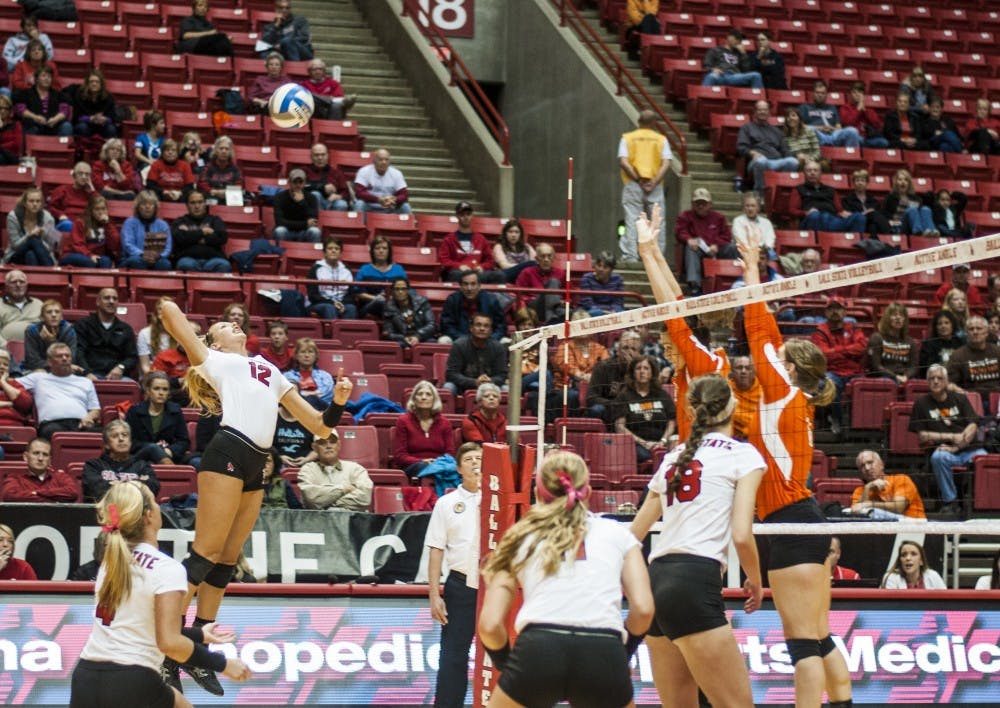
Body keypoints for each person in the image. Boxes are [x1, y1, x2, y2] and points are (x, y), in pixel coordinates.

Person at [157, 299, 350, 694]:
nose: (233, 324)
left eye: (235, 323)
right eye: (224, 326)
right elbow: (170, 317)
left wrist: (339, 402)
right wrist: (169, 304)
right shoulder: (213, 360)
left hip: (257, 462)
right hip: (227, 450)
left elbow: (318, 426)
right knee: (205, 553)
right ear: (215, 342)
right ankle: (166, 644)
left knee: (227, 559)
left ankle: (197, 645)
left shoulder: (271, 369)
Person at [736, 229, 853, 708]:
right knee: (819, 634)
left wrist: (750, 265)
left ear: (788, 367)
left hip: (790, 522)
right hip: (800, 519)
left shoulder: (782, 390)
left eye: (780, 357)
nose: (773, 356)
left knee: (802, 640)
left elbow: (757, 323)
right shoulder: (796, 400)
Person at [479, 450, 654, 708]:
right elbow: (644, 609)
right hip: (603, 650)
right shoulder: (618, 534)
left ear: (537, 493)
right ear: (589, 492)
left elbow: (490, 625)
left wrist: (508, 665)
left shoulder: (520, 537)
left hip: (539, 649)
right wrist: (621, 653)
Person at [629, 372, 764, 708]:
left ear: (690, 412)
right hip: (693, 581)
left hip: (654, 580)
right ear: (733, 404)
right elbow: (741, 535)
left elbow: (633, 535)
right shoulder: (743, 455)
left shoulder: (674, 457)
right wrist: (756, 581)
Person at [69, 481, 251, 708]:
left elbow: (140, 626)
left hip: (86, 676)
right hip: (131, 678)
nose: (158, 506)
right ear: (148, 516)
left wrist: (198, 635)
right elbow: (170, 643)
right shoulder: (166, 568)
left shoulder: (111, 563)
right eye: (155, 502)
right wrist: (224, 664)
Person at [426, 442, 485, 708]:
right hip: (460, 587)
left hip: (495, 588)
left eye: (480, 458)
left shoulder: (502, 500)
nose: (476, 463)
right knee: (452, 656)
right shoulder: (447, 503)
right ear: (460, 468)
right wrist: (434, 595)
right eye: (470, 459)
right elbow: (436, 549)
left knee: (501, 655)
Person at [909, 365, 986, 515]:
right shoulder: (921, 403)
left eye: (940, 378)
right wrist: (950, 437)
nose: (936, 381)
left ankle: (980, 503)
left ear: (946, 382)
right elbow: (923, 435)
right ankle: (950, 501)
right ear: (927, 382)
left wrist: (956, 447)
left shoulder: (960, 399)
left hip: (968, 450)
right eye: (932, 379)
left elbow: (973, 425)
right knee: (938, 457)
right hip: (943, 451)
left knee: (984, 457)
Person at [617, 109, 671, 261]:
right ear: (654, 123)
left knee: (633, 219)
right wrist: (653, 181)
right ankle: (656, 256)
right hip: (655, 185)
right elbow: (666, 162)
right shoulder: (661, 139)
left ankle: (631, 255)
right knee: (657, 221)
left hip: (633, 184)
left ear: (639, 122)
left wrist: (638, 179)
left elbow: (623, 161)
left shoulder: (628, 138)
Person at [19, 342, 101, 438]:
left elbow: (95, 409)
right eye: (59, 356)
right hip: (52, 424)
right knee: (52, 432)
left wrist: (89, 417)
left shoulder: (85, 382)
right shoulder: (38, 378)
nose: (64, 358)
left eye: (67, 356)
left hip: (81, 424)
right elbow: (10, 383)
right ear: (49, 362)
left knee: (105, 435)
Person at [811, 297, 867, 434]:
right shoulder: (820, 332)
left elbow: (861, 347)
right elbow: (823, 355)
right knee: (829, 383)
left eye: (838, 308)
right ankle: (836, 420)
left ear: (844, 312)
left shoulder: (853, 328)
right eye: (831, 309)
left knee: (868, 386)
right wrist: (848, 350)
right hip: (832, 372)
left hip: (855, 372)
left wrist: (836, 351)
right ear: (826, 312)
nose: (835, 312)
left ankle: (861, 429)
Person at [613, 355, 675, 464]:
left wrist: (663, 441)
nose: (642, 372)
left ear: (652, 373)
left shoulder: (662, 395)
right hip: (636, 445)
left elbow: (672, 421)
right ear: (633, 373)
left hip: (662, 443)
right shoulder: (624, 396)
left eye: (646, 368)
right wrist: (644, 443)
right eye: (638, 368)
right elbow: (619, 427)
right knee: (644, 455)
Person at [675, 187, 735, 297]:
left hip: (716, 248)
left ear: (710, 204)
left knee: (731, 248)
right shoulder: (686, 216)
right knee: (690, 248)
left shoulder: (718, 217)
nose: (700, 206)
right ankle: (695, 285)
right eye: (697, 203)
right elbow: (680, 231)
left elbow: (727, 236)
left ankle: (733, 279)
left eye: (703, 203)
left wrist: (716, 245)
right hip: (698, 248)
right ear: (693, 204)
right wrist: (689, 239)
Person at [81, 420, 161, 502]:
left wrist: (113, 484)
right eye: (115, 436)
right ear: (106, 445)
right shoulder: (93, 465)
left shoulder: (142, 465)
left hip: (135, 510)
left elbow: (153, 487)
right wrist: (136, 483)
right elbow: (95, 490)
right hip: (105, 510)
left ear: (130, 441)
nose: (121, 439)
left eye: (125, 435)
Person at [124, 371, 190, 465]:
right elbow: (130, 440)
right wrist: (153, 448)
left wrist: (170, 450)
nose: (161, 393)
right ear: (148, 391)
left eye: (165, 389)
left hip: (168, 454)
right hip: (141, 457)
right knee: (152, 448)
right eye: (156, 389)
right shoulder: (135, 411)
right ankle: (173, 472)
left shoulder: (175, 411)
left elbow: (183, 441)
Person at [297, 430, 373, 511]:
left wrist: (325, 502)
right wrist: (344, 489)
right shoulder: (307, 470)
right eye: (322, 443)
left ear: (339, 445)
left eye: (332, 442)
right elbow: (311, 499)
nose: (328, 446)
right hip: (319, 521)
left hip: (351, 521)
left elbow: (364, 498)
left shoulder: (355, 468)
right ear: (314, 447)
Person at [392, 380, 454, 479]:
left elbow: (449, 454)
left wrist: (437, 463)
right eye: (420, 394)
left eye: (428, 394)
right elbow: (400, 455)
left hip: (440, 465)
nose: (424, 397)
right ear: (414, 399)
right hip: (413, 466)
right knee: (426, 467)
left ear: (434, 399)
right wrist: (421, 461)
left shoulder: (445, 423)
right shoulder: (403, 421)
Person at [74, 287, 139, 380]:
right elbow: (78, 352)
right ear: (98, 302)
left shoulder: (126, 329)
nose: (111, 301)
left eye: (115, 299)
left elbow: (132, 357)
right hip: (89, 374)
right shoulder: (83, 325)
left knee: (132, 386)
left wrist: (120, 368)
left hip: (118, 376)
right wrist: (87, 373)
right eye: (107, 298)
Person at [736, 100, 799, 195]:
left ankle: (780, 192)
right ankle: (760, 195)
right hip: (757, 161)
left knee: (793, 162)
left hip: (776, 161)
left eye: (765, 110)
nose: (763, 112)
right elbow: (741, 147)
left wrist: (797, 155)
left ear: (769, 112)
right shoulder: (747, 128)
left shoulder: (776, 131)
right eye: (760, 110)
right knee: (761, 161)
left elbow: (785, 150)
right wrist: (752, 153)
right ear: (755, 112)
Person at [438, 201, 504, 283]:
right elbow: (444, 261)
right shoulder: (449, 239)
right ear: (457, 216)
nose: (466, 217)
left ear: (472, 216)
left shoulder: (481, 239)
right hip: (459, 274)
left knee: (499, 275)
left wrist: (482, 267)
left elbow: (490, 261)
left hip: (477, 274)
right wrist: (459, 266)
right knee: (456, 275)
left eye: (468, 214)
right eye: (462, 215)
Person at [791, 160, 866, 233]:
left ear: (820, 173)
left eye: (815, 170)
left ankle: (855, 244)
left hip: (833, 220)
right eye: (809, 170)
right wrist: (806, 213)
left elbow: (839, 210)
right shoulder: (799, 189)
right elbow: (792, 210)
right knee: (814, 216)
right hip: (813, 219)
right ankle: (818, 244)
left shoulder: (830, 190)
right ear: (804, 173)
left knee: (859, 217)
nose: (812, 173)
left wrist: (844, 213)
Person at [443, 313, 508, 397]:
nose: (482, 329)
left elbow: (502, 375)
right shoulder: (459, 345)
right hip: (462, 387)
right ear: (471, 328)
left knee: (506, 389)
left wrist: (490, 380)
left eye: (486, 326)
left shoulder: (498, 347)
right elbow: (451, 374)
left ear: (491, 330)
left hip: (490, 388)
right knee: (448, 387)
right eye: (478, 325)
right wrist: (474, 382)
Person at [851, 450, 926, 519]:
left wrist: (870, 504)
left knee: (873, 513)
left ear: (882, 464)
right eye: (862, 466)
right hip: (880, 530)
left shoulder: (901, 479)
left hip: (914, 526)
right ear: (860, 472)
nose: (867, 468)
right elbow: (856, 513)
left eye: (870, 462)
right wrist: (867, 488)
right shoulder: (859, 491)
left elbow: (899, 508)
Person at [586, 329, 642, 423]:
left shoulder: (642, 370)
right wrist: (615, 404)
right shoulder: (603, 367)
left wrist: (631, 371)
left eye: (633, 349)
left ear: (638, 354)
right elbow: (591, 398)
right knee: (597, 409)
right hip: (608, 409)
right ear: (618, 351)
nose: (629, 352)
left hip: (632, 410)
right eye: (625, 348)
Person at [947, 315, 1000, 412]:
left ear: (986, 332)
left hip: (998, 401)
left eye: (979, 328)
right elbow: (950, 383)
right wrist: (960, 391)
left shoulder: (997, 351)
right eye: (971, 329)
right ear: (966, 333)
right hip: (972, 403)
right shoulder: (958, 355)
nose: (975, 332)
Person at [438, 271, 508, 344]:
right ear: (460, 286)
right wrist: (465, 340)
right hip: (460, 340)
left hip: (487, 341)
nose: (469, 288)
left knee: (506, 341)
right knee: (443, 340)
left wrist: (489, 339)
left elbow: (501, 326)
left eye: (473, 284)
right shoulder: (452, 300)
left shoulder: (491, 300)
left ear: (479, 286)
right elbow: (447, 326)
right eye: (465, 284)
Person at [1, 436, 79, 502]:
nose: (40, 458)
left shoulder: (61, 476)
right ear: (25, 457)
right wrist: (53, 500)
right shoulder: (14, 478)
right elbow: (9, 496)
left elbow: (72, 493)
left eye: (45, 454)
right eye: (36, 453)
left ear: (49, 460)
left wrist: (37, 493)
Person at [170, 190, 230, 273]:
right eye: (193, 203)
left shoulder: (215, 220)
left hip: (213, 260)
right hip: (188, 259)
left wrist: (191, 236)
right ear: (187, 205)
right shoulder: (180, 221)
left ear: (205, 204)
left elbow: (222, 238)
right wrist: (203, 232)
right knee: (184, 264)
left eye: (200, 202)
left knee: (224, 265)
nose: (197, 206)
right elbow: (180, 239)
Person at [551, 310, 610, 391]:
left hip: (594, 388)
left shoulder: (600, 348)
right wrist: (587, 378)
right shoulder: (564, 347)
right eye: (579, 325)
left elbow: (606, 368)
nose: (582, 328)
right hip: (567, 389)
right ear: (572, 328)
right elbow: (569, 369)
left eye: (585, 325)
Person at [3, 186, 59, 266]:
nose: (35, 204)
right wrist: (29, 235)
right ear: (25, 203)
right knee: (33, 239)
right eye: (31, 201)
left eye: (38, 201)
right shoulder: (13, 216)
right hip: (16, 256)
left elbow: (52, 247)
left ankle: (35, 277)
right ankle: (49, 268)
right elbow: (15, 245)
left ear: (41, 203)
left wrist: (41, 238)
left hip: (39, 256)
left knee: (31, 254)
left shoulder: (48, 218)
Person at [353, 235, 407, 318]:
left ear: (389, 252)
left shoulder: (398, 269)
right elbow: (358, 293)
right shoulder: (365, 269)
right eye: (377, 248)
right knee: (381, 301)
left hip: (394, 304)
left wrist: (392, 299)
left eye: (384, 248)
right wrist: (376, 298)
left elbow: (407, 290)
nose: (381, 251)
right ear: (372, 251)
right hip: (369, 306)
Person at [60, 194, 119, 268]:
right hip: (73, 254)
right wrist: (90, 255)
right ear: (91, 210)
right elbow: (77, 245)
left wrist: (108, 225)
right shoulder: (80, 222)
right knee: (89, 262)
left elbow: (115, 245)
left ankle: (103, 280)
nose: (101, 212)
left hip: (96, 256)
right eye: (97, 209)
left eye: (103, 209)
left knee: (106, 261)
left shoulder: (108, 224)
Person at [798, 80, 861, 148]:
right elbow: (800, 126)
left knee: (852, 131)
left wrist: (832, 129)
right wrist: (820, 128)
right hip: (817, 135)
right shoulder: (805, 107)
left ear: (826, 95)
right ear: (813, 93)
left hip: (833, 135)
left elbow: (838, 127)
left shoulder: (832, 107)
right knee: (810, 129)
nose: (820, 95)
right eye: (817, 93)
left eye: (823, 93)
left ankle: (851, 157)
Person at [867, 303, 918, 385]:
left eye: (901, 315)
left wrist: (906, 376)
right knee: (889, 383)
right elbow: (876, 366)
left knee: (915, 385)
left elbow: (914, 366)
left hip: (904, 377)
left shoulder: (910, 341)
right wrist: (895, 376)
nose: (898, 318)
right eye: (894, 315)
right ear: (887, 318)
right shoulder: (877, 338)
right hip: (884, 377)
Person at [515, 243, 566, 325]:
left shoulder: (561, 273)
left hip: (558, 306)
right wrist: (529, 300)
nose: (546, 259)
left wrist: (565, 301)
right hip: (535, 307)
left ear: (554, 258)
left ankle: (552, 317)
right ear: (537, 258)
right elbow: (518, 294)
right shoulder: (527, 272)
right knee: (553, 281)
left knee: (573, 312)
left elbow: (571, 294)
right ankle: (551, 320)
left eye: (549, 256)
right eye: (542, 256)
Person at [120, 190, 172, 270]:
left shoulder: (163, 225)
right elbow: (128, 244)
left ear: (155, 207)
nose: (147, 207)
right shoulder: (129, 223)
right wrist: (142, 254)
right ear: (138, 207)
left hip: (157, 259)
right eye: (144, 204)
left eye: (151, 204)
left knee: (165, 264)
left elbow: (168, 247)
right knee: (136, 261)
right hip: (134, 258)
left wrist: (159, 256)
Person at [23, 299, 76, 376]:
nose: (54, 315)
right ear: (42, 317)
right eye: (49, 312)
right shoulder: (31, 331)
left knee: (73, 371)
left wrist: (52, 341)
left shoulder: (69, 331)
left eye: (57, 312)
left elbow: (72, 358)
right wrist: (56, 365)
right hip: (37, 369)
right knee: (40, 373)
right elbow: (32, 361)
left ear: (61, 317)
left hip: (62, 369)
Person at [296, 142, 354, 211]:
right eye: (316, 155)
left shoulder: (337, 172)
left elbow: (346, 193)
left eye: (323, 155)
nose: (320, 158)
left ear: (328, 156)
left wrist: (338, 196)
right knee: (315, 194)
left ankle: (334, 221)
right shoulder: (303, 171)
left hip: (331, 202)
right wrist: (321, 187)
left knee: (341, 204)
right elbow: (298, 187)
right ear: (311, 157)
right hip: (310, 205)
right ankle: (318, 220)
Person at [15, 65, 71, 136]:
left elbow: (64, 111)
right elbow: (21, 110)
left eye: (49, 76)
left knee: (66, 126)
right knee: (29, 126)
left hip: (54, 124)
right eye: (43, 76)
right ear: (37, 79)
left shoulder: (59, 94)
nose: (47, 79)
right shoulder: (26, 93)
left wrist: (55, 119)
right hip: (33, 123)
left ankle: (62, 147)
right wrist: (35, 117)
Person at [353, 148, 411, 214]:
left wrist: (394, 199)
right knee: (359, 204)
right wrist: (378, 200)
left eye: (386, 160)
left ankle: (411, 224)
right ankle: (357, 224)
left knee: (405, 206)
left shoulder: (396, 173)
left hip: (390, 207)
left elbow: (404, 194)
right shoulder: (364, 171)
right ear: (374, 161)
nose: (384, 162)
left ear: (390, 161)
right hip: (369, 207)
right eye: (380, 159)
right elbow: (359, 193)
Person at [382, 277, 437, 348]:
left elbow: (431, 324)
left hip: (422, 337)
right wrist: (403, 338)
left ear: (408, 290)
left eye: (403, 289)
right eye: (397, 289)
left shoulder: (422, 302)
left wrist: (418, 336)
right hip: (402, 339)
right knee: (395, 346)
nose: (400, 292)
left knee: (432, 343)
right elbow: (389, 332)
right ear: (392, 291)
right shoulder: (389, 307)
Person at [284, 337, 334, 409]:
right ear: (296, 355)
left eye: (310, 352)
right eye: (303, 352)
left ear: (316, 355)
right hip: (296, 407)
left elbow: (327, 394)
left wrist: (305, 395)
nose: (307, 355)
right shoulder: (288, 376)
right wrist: (307, 395)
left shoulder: (325, 376)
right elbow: (289, 395)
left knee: (311, 399)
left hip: (321, 409)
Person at [272, 168, 321, 242]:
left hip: (304, 232)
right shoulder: (279, 197)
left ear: (304, 183)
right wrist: (305, 224)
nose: (298, 185)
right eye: (295, 182)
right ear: (289, 182)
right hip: (287, 231)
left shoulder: (311, 197)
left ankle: (314, 254)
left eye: (300, 182)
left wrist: (302, 202)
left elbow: (313, 221)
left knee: (315, 231)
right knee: (280, 230)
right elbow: (279, 222)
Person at [841, 169, 891, 238]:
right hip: (857, 226)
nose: (860, 183)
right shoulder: (847, 200)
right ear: (854, 183)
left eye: (862, 180)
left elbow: (880, 216)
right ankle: (889, 235)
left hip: (871, 227)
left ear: (867, 183)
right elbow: (848, 217)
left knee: (873, 226)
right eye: (857, 180)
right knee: (873, 214)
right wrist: (864, 214)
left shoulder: (873, 201)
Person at [69, 69, 117, 138]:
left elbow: (112, 118)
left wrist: (104, 119)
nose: (94, 84)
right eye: (91, 82)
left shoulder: (108, 97)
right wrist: (90, 118)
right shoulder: (80, 96)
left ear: (101, 84)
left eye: (97, 82)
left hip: (102, 126)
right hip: (86, 124)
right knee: (82, 127)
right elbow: (77, 118)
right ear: (87, 84)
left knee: (111, 129)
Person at [49, 162, 97, 230]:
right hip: (67, 223)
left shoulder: (91, 193)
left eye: (87, 174)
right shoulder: (62, 190)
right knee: (68, 225)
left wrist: (92, 189)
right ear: (74, 176)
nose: (84, 177)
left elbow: (100, 207)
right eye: (80, 173)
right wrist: (60, 214)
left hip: (85, 225)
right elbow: (51, 207)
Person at [840, 81, 888, 148]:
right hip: (854, 138)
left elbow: (877, 125)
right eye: (854, 92)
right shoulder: (845, 108)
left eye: (859, 92)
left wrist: (865, 111)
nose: (857, 95)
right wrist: (858, 110)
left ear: (863, 95)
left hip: (868, 138)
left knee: (883, 142)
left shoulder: (868, 109)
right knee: (859, 140)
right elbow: (847, 124)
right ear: (851, 94)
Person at [197, 135, 243, 205]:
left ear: (230, 152)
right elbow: (202, 184)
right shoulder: (208, 167)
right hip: (211, 198)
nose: (224, 151)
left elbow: (239, 185)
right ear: (216, 150)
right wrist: (215, 192)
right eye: (221, 148)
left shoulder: (235, 169)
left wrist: (225, 192)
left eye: (227, 149)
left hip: (231, 199)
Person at [146, 139, 195, 203]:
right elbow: (150, 184)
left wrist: (179, 193)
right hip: (160, 194)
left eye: (173, 150)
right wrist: (163, 192)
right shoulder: (156, 164)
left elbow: (189, 186)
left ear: (178, 153)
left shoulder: (185, 165)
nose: (170, 152)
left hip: (180, 195)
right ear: (162, 153)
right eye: (167, 150)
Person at [881, 540, 946, 589]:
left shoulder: (933, 576)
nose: (908, 558)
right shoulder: (892, 577)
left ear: (921, 561)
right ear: (900, 560)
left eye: (913, 554)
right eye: (904, 555)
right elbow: (892, 605)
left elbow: (945, 603)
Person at [137, 297, 176, 377]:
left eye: (168, 309)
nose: (164, 312)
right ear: (156, 312)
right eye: (161, 309)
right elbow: (145, 366)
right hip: (152, 376)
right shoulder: (144, 334)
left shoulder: (180, 333)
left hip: (175, 376)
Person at [730, 191, 776, 260]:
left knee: (771, 254)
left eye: (753, 206)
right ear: (743, 208)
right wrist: (753, 250)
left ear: (758, 208)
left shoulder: (766, 223)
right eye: (747, 206)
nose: (750, 208)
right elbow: (741, 240)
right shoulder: (738, 221)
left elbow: (770, 240)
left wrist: (762, 249)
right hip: (745, 252)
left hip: (763, 253)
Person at [578, 251, 624, 315]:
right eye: (599, 265)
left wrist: (614, 311)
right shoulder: (587, 278)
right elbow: (587, 302)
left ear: (611, 269)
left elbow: (618, 302)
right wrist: (602, 312)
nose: (601, 269)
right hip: (591, 310)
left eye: (605, 267)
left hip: (612, 311)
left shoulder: (618, 279)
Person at [919, 310, 965, 376]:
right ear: (936, 327)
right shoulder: (928, 343)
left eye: (947, 323)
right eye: (939, 324)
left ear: (952, 325)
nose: (943, 326)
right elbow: (926, 367)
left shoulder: (960, 342)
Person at [491, 218, 536, 283]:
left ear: (520, 234)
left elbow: (536, 263)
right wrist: (523, 266)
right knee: (531, 264)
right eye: (510, 232)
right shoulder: (499, 246)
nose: (513, 235)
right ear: (505, 233)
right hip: (507, 275)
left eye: (516, 232)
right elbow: (504, 266)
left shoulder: (527, 247)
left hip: (525, 276)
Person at [0, 346, 33, 422]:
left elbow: (25, 404)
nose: (2, 367)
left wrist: (3, 383)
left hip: (14, 425)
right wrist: (9, 404)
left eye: (5, 364)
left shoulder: (15, 384)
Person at [133, 110, 166, 174]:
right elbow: (137, 154)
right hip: (144, 168)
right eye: (161, 123)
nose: (164, 126)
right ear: (153, 125)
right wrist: (149, 161)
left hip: (158, 168)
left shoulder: (163, 140)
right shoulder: (141, 138)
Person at [0, 93, 23, 165]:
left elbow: (16, 145)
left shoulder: (16, 125)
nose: (2, 111)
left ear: (10, 111)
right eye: (0, 108)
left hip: (11, 157)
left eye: (5, 108)